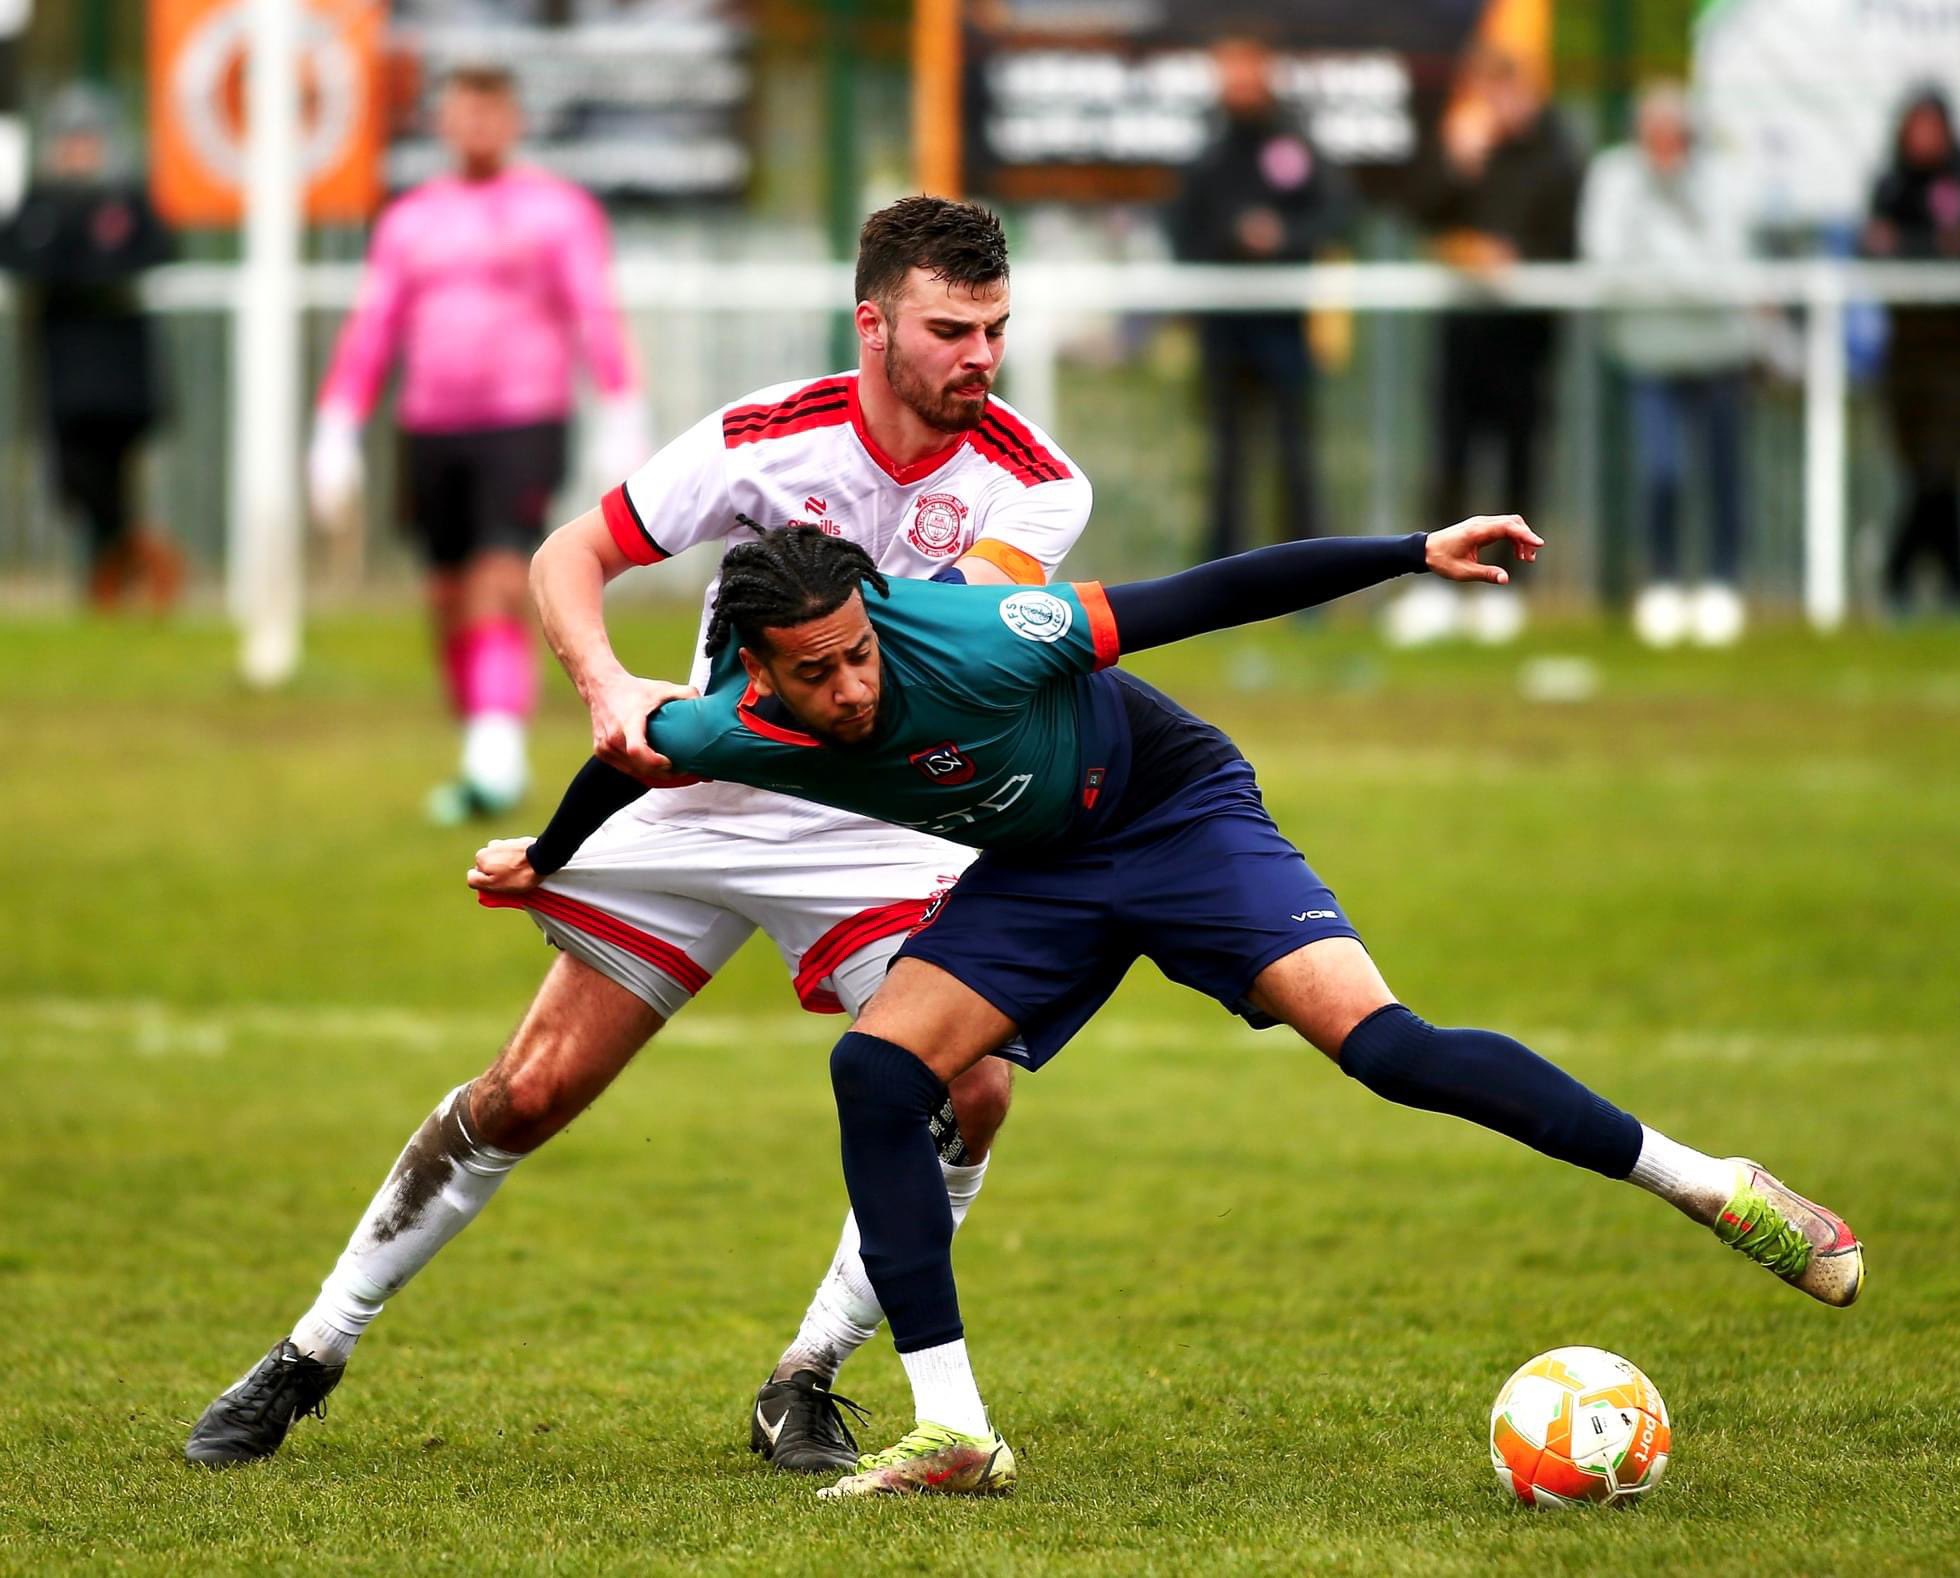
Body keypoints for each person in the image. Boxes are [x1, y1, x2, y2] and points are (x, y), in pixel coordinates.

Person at [475, 518, 1865, 1499]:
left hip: (1174, 810)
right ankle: (950, 1429)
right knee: (879, 1072)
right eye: (816, 671)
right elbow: (629, 745)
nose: (851, 686)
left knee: (1387, 1049)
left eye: (858, 653)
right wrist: (549, 852)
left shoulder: (978, 633)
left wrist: (1405, 553)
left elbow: (1206, 593)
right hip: (1040, 873)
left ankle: (1713, 1184)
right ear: (761, 672)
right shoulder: (738, 725)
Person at [183, 197, 1093, 1475]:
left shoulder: (1038, 483)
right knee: (529, 1092)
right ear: (873, 323)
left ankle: (806, 1376)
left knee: (969, 1089)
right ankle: (309, 1351)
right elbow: (572, 553)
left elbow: (915, 666)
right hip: (702, 796)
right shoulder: (765, 437)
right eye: (952, 329)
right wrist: (609, 689)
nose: (981, 356)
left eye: (996, 329)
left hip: (870, 831)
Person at [307, 64, 652, 821]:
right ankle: (482, 743)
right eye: (464, 114)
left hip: (523, 422)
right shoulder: (411, 220)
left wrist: (621, 408)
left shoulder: (557, 212)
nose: (477, 129)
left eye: (491, 114)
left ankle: (494, 762)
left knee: (500, 577)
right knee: (447, 595)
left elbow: (597, 311)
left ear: (513, 122)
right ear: (444, 123)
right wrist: (336, 423)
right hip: (430, 426)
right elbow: (374, 329)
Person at [1390, 44, 1582, 646]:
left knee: (1518, 457)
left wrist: (1516, 258)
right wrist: (1456, 163)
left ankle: (1505, 591)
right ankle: (1435, 584)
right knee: (1450, 456)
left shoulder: (1559, 153)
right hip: (1464, 329)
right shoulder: (1467, 148)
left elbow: (1569, 238)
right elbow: (1420, 213)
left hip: (1525, 335)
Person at [1579, 81, 1754, 648]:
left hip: (1720, 352)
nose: (1664, 145)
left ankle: (1723, 585)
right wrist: (1681, 266)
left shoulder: (1720, 178)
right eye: (1653, 132)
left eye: (1673, 133)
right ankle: (1663, 581)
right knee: (1662, 471)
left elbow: (1727, 270)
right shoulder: (1615, 176)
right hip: (1648, 351)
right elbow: (1605, 261)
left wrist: (1663, 262)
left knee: (1724, 474)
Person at [1166, 33, 1350, 560]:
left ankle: (1310, 576)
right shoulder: (1204, 144)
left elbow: (1337, 212)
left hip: (1284, 324)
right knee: (1226, 457)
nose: (1240, 80)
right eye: (1230, 69)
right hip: (1223, 324)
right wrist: (1230, 238)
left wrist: (1283, 238)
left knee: (1295, 454)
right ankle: (1218, 578)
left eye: (1248, 68)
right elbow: (1182, 226)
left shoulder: (1294, 139)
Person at [0, 84, 182, 611]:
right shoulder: (42, 201)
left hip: (121, 373)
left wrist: (85, 272)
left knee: (114, 475)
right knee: (73, 478)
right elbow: (25, 257)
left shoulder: (126, 199)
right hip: (63, 368)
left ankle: (109, 582)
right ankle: (127, 560)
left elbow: (152, 250)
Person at [1861, 87, 1960, 615]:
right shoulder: (1893, 182)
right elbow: (1874, 246)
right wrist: (1934, 243)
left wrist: (1913, 244)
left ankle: (1898, 576)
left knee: (1942, 467)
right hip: (1908, 346)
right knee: (1923, 470)